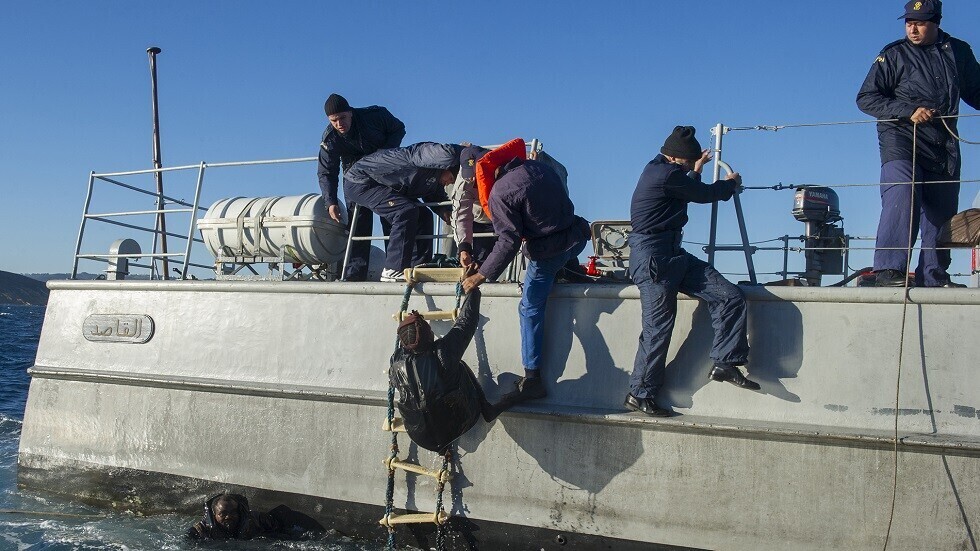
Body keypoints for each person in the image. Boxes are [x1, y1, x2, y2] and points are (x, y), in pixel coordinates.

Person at [624, 126, 759, 418]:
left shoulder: (665, 171)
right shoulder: (664, 175)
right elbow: (701, 194)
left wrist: (695, 169)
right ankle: (639, 394)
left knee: (729, 296)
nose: (690, 165)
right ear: (675, 158)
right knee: (657, 329)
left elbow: (683, 188)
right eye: (689, 161)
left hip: (672, 254)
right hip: (653, 259)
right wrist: (730, 184)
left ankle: (726, 362)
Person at [856, 0, 980, 288]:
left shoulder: (959, 51)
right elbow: (866, 98)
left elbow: (976, 91)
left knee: (941, 211)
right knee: (903, 193)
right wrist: (906, 110)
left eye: (920, 22)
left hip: (943, 143)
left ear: (936, 22)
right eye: (908, 21)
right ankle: (888, 271)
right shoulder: (893, 54)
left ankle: (933, 276)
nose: (912, 27)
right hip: (900, 139)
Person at [461, 147, 590, 405]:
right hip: (577, 238)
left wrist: (480, 275)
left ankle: (532, 380)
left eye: (471, 184)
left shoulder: (500, 194)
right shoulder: (538, 167)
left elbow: (508, 242)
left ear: (481, 177)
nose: (473, 192)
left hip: (549, 253)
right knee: (557, 259)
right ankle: (569, 269)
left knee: (529, 307)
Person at [390, 284, 502, 452]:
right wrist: (473, 289)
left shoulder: (395, 360)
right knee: (459, 366)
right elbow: (466, 322)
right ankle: (486, 408)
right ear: (428, 335)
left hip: (419, 435)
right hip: (456, 424)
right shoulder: (443, 352)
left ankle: (441, 444)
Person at [342, 142, 462, 281]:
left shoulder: (433, 176)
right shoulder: (420, 161)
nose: (450, 183)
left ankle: (419, 268)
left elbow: (429, 190)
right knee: (405, 211)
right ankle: (393, 269)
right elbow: (416, 166)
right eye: (451, 179)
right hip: (361, 181)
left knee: (424, 215)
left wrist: (444, 210)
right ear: (444, 168)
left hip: (386, 185)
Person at [317, 93, 406, 280]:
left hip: (384, 169)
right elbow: (327, 172)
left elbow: (399, 128)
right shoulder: (330, 139)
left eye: (343, 117)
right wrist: (330, 201)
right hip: (355, 177)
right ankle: (354, 276)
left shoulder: (375, 117)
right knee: (358, 225)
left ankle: (396, 269)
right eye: (334, 120)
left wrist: (386, 153)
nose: (340, 124)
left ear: (351, 113)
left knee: (391, 218)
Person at [186, 492, 323, 541]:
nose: (229, 517)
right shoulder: (203, 530)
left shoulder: (256, 520)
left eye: (233, 512)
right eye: (223, 514)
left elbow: (282, 527)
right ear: (215, 515)